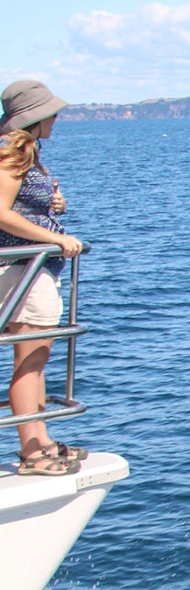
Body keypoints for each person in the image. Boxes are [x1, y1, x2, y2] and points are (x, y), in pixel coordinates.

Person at [0, 80, 87, 476]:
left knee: (37, 359)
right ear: (34, 117)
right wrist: (55, 236)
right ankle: (31, 452)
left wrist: (53, 205)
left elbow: (20, 204)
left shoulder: (26, 154)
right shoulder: (10, 154)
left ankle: (41, 442)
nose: (56, 118)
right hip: (24, 270)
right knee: (30, 361)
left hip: (34, 269)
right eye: (51, 112)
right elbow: (1, 212)